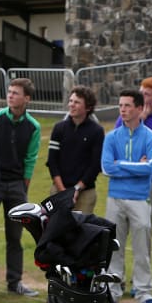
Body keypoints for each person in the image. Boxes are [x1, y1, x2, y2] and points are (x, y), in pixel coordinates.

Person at [101, 90, 152, 303]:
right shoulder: (111, 137)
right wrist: (134, 165)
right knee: (114, 248)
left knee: (141, 249)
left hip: (139, 200)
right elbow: (107, 168)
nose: (123, 110)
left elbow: (149, 167)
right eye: (120, 106)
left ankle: (144, 293)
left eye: (127, 105)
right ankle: (113, 292)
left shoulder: (151, 137)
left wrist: (121, 164)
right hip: (114, 199)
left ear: (139, 108)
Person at [0, 78, 41, 300]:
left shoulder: (33, 126)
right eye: (9, 92)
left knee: (15, 236)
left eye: (16, 93)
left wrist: (23, 185)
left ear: (27, 98)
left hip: (16, 185)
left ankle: (14, 281)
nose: (11, 96)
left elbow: (31, 158)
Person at [115, 77, 152, 223]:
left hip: (149, 183)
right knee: (119, 226)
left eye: (146, 94)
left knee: (143, 226)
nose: (140, 98)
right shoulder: (124, 118)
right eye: (140, 93)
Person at [46, 86, 105, 214]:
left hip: (85, 192)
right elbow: (52, 161)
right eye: (71, 101)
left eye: (77, 102)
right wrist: (63, 191)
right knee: (56, 231)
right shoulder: (59, 128)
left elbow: (95, 165)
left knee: (80, 232)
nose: (71, 105)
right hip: (59, 190)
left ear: (88, 107)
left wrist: (76, 189)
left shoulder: (97, 131)